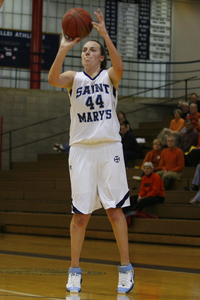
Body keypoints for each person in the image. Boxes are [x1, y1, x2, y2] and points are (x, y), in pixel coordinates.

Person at [48, 8, 134, 294]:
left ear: (101, 56)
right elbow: (52, 79)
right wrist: (62, 49)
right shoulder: (74, 78)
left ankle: (125, 268)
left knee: (114, 211)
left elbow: (120, 66)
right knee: (80, 216)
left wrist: (106, 37)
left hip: (109, 148)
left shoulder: (110, 76)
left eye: (92, 49)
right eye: (84, 49)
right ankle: (74, 271)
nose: (86, 52)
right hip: (81, 151)